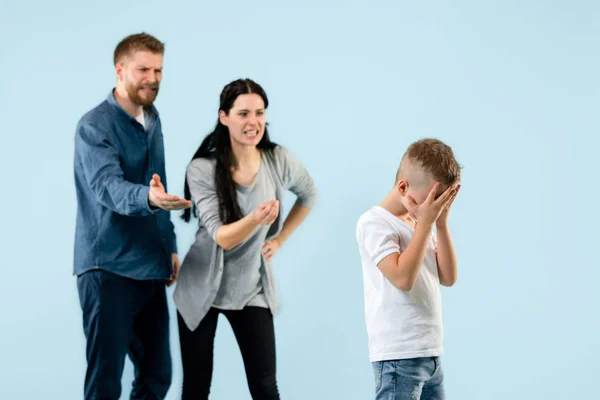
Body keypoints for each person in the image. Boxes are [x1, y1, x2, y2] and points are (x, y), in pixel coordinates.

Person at [174, 78, 317, 399]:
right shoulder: (201, 168)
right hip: (200, 289)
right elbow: (222, 237)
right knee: (196, 387)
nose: (253, 122)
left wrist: (279, 239)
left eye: (260, 113)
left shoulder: (278, 159)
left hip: (250, 286)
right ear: (224, 117)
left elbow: (308, 195)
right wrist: (254, 220)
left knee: (265, 386)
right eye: (243, 114)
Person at [73, 32, 191, 400]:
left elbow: (159, 184)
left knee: (157, 376)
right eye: (143, 69)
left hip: (150, 266)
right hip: (107, 268)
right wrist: (151, 199)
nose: (152, 78)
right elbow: (108, 187)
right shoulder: (94, 126)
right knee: (105, 381)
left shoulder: (152, 119)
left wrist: (169, 245)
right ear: (120, 69)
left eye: (158, 70)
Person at [355, 138, 462, 399]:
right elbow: (403, 278)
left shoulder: (422, 222)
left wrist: (440, 224)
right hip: (398, 357)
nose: (433, 210)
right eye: (431, 202)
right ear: (403, 187)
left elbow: (448, 278)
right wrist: (425, 225)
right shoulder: (374, 223)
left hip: (430, 353)